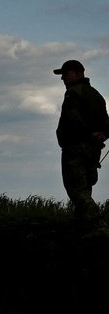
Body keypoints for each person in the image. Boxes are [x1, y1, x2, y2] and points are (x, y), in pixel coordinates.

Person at [54, 58, 109, 236]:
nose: (63, 78)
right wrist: (103, 134)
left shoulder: (73, 93)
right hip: (93, 150)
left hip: (75, 148)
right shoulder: (96, 94)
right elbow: (105, 121)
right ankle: (82, 228)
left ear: (79, 73)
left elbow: (73, 120)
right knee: (85, 188)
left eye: (66, 74)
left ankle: (99, 226)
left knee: (77, 191)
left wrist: (89, 134)